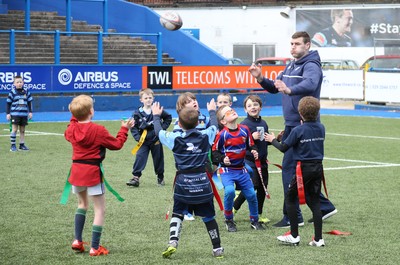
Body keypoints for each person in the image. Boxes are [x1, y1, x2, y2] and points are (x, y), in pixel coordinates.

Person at [249, 31, 337, 228]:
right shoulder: (291, 64)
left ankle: (293, 215)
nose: (293, 47)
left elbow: (311, 83)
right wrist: (261, 78)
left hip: (304, 125)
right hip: (292, 124)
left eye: (297, 44)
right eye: (291, 43)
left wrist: (290, 89)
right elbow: (275, 87)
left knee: (290, 169)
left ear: (307, 45)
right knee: (299, 171)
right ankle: (323, 207)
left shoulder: (311, 65)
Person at [152, 100, 224, 259]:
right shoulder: (206, 136)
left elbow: (158, 132)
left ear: (179, 123)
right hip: (203, 184)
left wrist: (156, 116)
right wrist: (212, 111)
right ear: (199, 122)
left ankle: (172, 242)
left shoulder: (175, 138)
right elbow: (215, 126)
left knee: (177, 213)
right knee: (209, 217)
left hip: (183, 185)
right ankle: (217, 247)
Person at [65, 95, 134, 256]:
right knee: (100, 210)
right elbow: (116, 145)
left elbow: (72, 125)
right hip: (92, 172)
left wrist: (75, 114)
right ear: (91, 111)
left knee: (82, 205)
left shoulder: (71, 129)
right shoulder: (98, 130)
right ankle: (95, 247)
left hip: (77, 171)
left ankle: (77, 240)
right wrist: (124, 129)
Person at [265, 96, 326, 247]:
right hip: (318, 168)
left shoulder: (298, 130)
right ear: (317, 112)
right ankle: (318, 239)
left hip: (302, 169)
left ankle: (294, 235)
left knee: (291, 198)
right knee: (315, 201)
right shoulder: (321, 127)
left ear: (300, 113)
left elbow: (283, 148)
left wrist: (272, 139)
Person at [212, 105, 265, 232]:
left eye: (232, 109)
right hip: (227, 171)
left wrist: (254, 151)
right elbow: (215, 151)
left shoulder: (244, 130)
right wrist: (222, 158)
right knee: (229, 191)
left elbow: (251, 145)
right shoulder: (222, 135)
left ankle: (254, 220)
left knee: (252, 194)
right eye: (228, 112)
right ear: (223, 121)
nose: (232, 111)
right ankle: (229, 220)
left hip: (241, 169)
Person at [173, 92, 211, 221]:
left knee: (201, 183)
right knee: (188, 184)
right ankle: (186, 211)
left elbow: (211, 133)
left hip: (202, 159)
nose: (194, 102)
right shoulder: (179, 121)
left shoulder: (204, 118)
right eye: (189, 101)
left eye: (194, 99)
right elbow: (177, 139)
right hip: (187, 160)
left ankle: (202, 208)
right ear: (182, 107)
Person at [233, 95, 270, 224]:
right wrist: (251, 138)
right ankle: (234, 207)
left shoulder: (263, 123)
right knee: (251, 186)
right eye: (249, 106)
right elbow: (237, 144)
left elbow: (264, 141)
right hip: (250, 162)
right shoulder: (243, 125)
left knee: (262, 188)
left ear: (260, 107)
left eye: (255, 104)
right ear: (245, 109)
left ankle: (259, 214)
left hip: (263, 161)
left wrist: (273, 139)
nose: (253, 107)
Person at [126, 88, 172, 187]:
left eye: (150, 98)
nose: (148, 100)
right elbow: (133, 127)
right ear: (141, 100)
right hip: (143, 141)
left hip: (156, 139)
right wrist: (138, 138)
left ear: (153, 98)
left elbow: (168, 118)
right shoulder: (137, 113)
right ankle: (136, 178)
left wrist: (161, 130)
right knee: (140, 156)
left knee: (158, 158)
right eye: (146, 98)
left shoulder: (157, 110)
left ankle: (160, 177)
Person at [6, 75, 33, 152]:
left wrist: (30, 112)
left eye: (20, 82)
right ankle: (13, 145)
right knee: (14, 129)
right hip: (15, 114)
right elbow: (8, 103)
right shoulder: (12, 92)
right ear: (14, 84)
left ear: (23, 82)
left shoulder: (26, 91)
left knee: (22, 130)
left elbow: (30, 102)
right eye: (17, 82)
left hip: (24, 114)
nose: (19, 83)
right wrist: (8, 113)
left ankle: (22, 144)